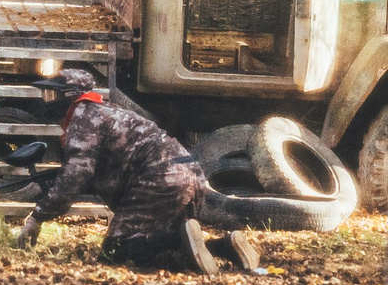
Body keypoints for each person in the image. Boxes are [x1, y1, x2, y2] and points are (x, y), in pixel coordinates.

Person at [14, 70, 258, 272]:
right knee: (155, 247)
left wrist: (38, 217)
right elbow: (101, 168)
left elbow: (76, 175)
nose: (46, 100)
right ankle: (223, 247)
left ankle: (187, 244)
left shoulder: (84, 116)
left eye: (51, 94)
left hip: (159, 179)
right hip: (189, 173)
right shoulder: (105, 111)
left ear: (69, 95)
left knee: (116, 251)